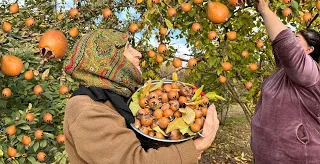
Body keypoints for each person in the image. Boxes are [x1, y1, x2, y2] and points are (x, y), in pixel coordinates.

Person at [62, 29, 220, 164]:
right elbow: (134, 160)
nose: (138, 54)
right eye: (128, 48)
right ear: (108, 59)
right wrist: (198, 145)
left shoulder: (122, 95)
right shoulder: (87, 110)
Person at [251, 0, 320, 163]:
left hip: (297, 157)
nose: (292, 43)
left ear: (309, 50)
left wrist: (265, 11)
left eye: (297, 40)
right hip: (265, 155)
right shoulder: (283, 70)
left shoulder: (309, 71)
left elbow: (286, 45)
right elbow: (281, 48)